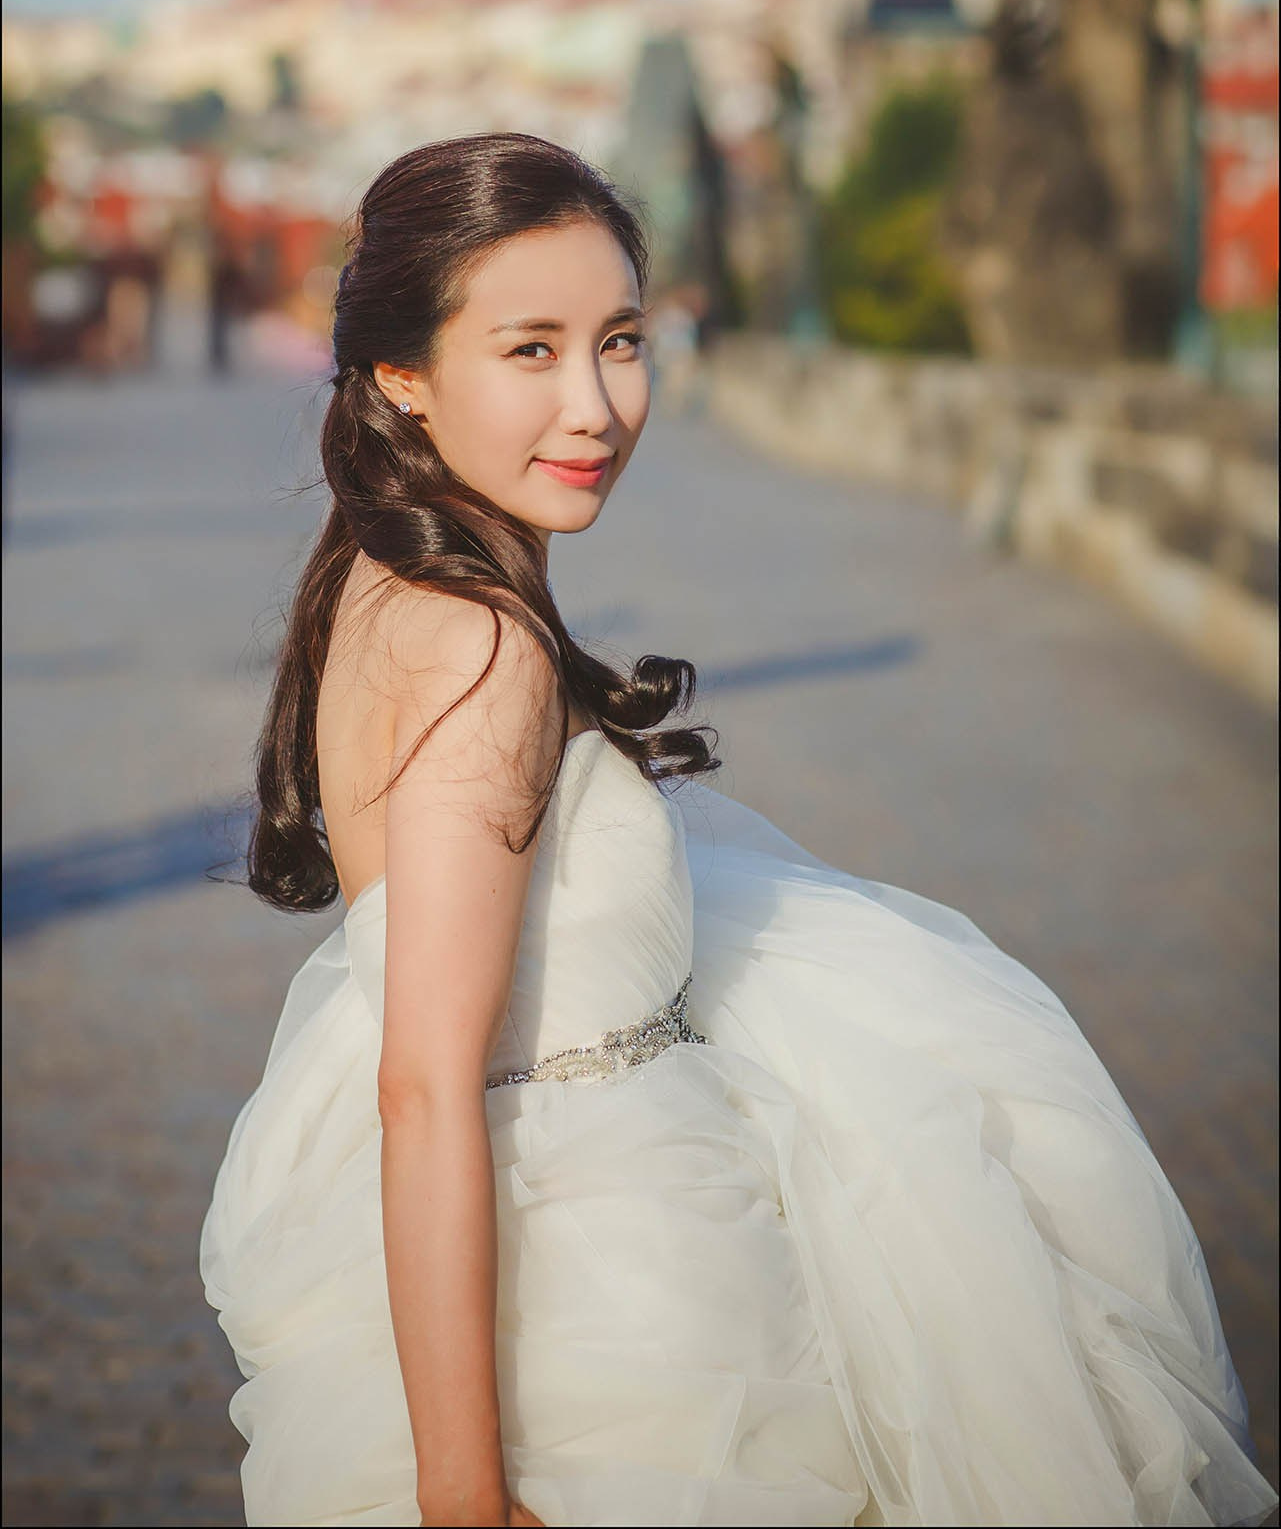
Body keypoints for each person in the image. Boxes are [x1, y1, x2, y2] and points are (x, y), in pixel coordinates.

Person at [200, 132, 1278, 1529]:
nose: (595, 406)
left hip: (597, 1235)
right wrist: (465, 1496)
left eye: (621, 341)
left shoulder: (374, 574)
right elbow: (423, 1084)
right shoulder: (479, 646)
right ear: (403, 374)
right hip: (612, 1304)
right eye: (529, 350)